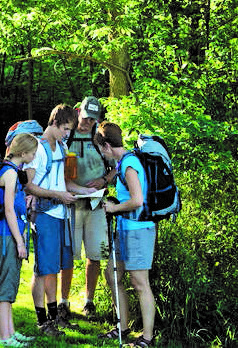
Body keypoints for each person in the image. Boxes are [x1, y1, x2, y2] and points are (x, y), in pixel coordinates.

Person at [23, 104, 83, 336]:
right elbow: (29, 186)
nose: (68, 134)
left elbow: (68, 181)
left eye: (70, 130)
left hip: (61, 214)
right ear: (54, 123)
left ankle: (55, 316)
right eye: (65, 129)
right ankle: (44, 321)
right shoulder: (37, 149)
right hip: (44, 213)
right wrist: (58, 195)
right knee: (44, 269)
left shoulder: (64, 146)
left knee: (56, 268)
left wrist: (87, 191)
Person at [96, 121, 156, 347]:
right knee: (112, 276)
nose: (103, 154)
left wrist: (114, 208)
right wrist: (115, 204)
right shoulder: (123, 163)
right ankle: (123, 327)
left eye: (102, 149)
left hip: (139, 230)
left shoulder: (129, 164)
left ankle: (147, 339)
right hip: (125, 229)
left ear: (108, 146)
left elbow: (137, 200)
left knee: (140, 282)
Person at [59, 96, 116, 322]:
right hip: (71, 204)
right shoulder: (67, 134)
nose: (87, 123)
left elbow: (117, 166)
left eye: (93, 120)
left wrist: (104, 180)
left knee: (95, 255)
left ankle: (89, 301)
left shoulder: (100, 138)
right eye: (85, 118)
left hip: (96, 205)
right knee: (68, 255)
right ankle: (63, 302)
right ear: (77, 112)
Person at [0, 133, 39, 347]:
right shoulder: (10, 174)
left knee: (11, 282)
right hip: (6, 235)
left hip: (11, 233)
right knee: (5, 285)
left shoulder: (13, 171)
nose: (34, 156)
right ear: (23, 153)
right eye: (32, 153)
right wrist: (20, 242)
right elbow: (9, 210)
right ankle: (4, 338)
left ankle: (10, 332)